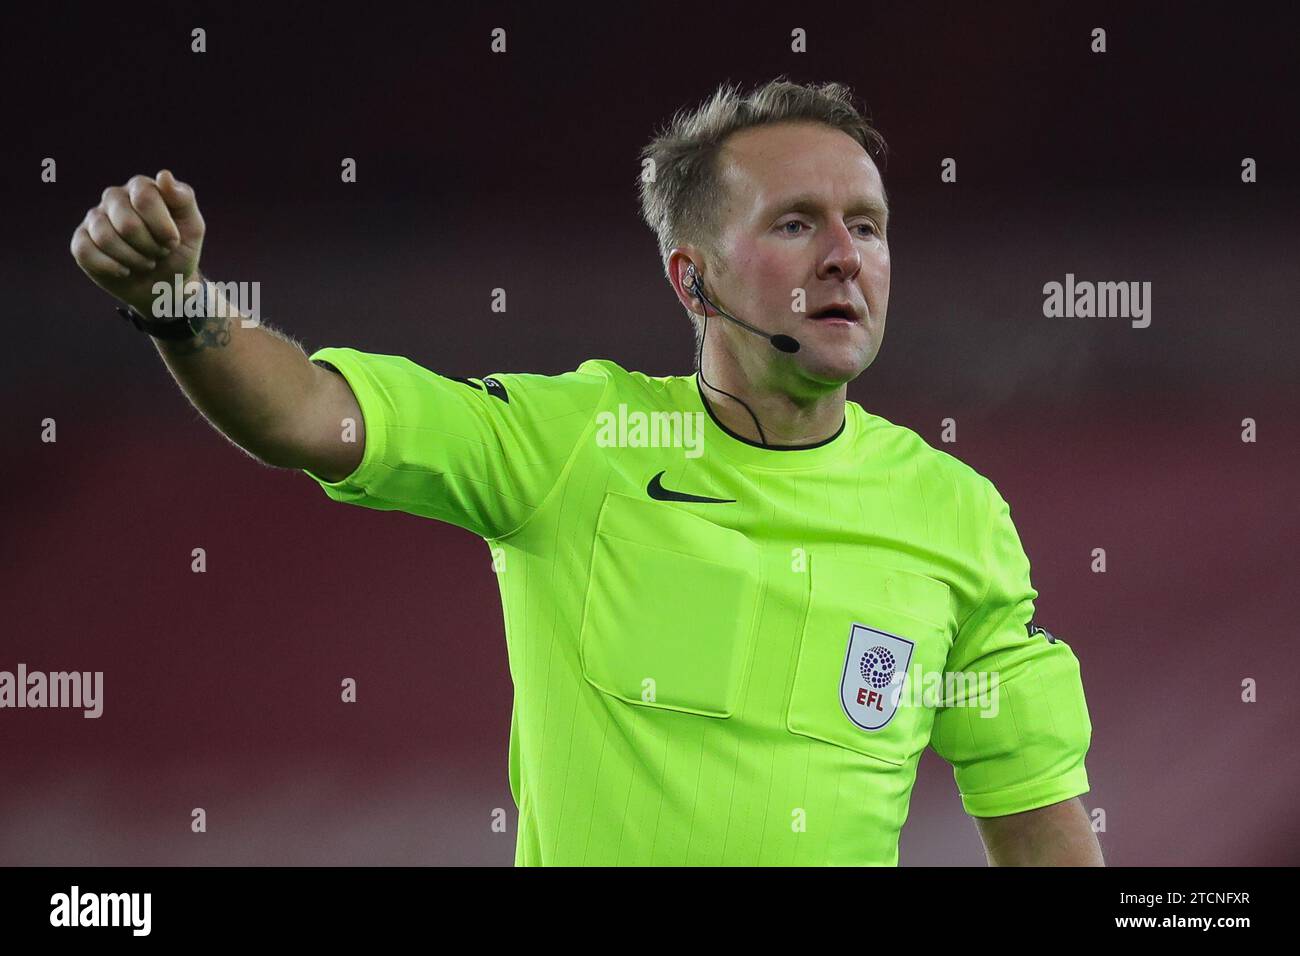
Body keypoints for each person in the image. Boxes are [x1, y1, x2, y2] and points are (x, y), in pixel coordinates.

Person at [70, 77, 1102, 866]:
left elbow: (1039, 818)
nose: (845, 256)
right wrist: (175, 301)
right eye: (795, 223)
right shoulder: (573, 442)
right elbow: (307, 414)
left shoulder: (956, 518)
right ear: (692, 278)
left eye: (866, 225)